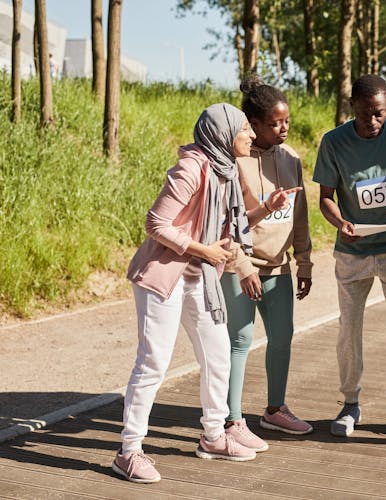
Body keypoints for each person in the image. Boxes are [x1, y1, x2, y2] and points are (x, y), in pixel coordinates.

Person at [114, 103, 289, 483]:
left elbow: (237, 225)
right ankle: (128, 451)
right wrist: (204, 250)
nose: (251, 135)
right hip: (162, 276)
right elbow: (155, 223)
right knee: (153, 363)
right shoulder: (192, 167)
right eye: (245, 129)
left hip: (200, 279)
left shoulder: (225, 170)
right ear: (224, 133)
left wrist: (266, 210)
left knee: (218, 353)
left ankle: (213, 436)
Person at [313, 74, 386, 441]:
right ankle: (350, 404)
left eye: (379, 114)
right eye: (365, 114)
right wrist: (341, 221)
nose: (373, 122)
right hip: (353, 252)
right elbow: (325, 198)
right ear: (352, 108)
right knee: (349, 330)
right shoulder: (333, 142)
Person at [220, 76, 313, 448]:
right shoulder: (235, 162)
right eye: (275, 123)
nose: (283, 127)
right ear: (253, 124)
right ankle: (232, 420)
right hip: (240, 267)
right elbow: (226, 222)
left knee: (282, 338)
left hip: (279, 268)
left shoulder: (291, 160)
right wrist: (243, 266)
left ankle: (275, 410)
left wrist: (303, 262)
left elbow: (301, 215)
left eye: (286, 121)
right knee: (239, 340)